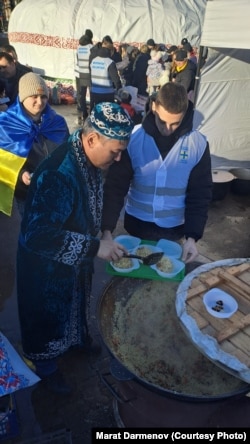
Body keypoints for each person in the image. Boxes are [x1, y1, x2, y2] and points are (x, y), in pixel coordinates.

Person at [16, 102, 134, 394]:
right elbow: (38, 236)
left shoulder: (88, 157)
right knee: (47, 318)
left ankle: (75, 342)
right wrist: (95, 248)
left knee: (73, 305)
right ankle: (46, 368)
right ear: (92, 139)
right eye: (115, 151)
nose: (119, 159)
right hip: (44, 269)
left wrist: (103, 236)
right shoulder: (58, 174)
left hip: (72, 262)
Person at [101, 83, 213, 264]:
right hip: (136, 226)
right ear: (154, 106)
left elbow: (200, 193)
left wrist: (192, 237)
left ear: (185, 113)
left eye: (175, 123)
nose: (168, 129)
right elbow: (115, 186)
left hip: (175, 229)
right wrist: (106, 231)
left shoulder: (197, 144)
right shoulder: (134, 138)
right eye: (163, 121)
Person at [0, 72, 69, 217]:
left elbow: (68, 153)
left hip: (53, 190)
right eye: (34, 97)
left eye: (43, 96)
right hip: (23, 194)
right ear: (22, 97)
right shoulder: (5, 124)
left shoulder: (57, 123)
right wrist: (21, 174)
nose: (40, 101)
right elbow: (3, 160)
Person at [89, 46, 121, 110]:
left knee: (96, 111)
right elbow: (115, 79)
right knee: (107, 111)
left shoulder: (93, 61)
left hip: (94, 91)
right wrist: (119, 88)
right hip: (107, 93)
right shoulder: (109, 62)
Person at [74, 31, 93, 123]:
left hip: (79, 73)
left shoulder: (78, 48)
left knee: (82, 94)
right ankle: (92, 112)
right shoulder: (90, 47)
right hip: (89, 74)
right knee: (92, 93)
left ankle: (84, 112)